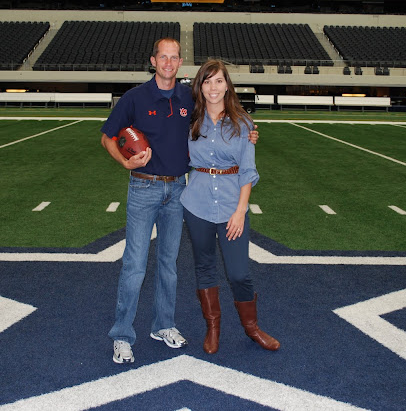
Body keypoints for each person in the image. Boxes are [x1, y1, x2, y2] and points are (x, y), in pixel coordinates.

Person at [101, 39, 259, 364]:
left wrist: (249, 132)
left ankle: (163, 325)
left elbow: (219, 112)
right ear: (153, 60)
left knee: (168, 265)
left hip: (177, 190)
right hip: (143, 187)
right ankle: (122, 335)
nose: (169, 63)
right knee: (134, 265)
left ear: (180, 62)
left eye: (174, 57)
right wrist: (125, 161)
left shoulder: (189, 97)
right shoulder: (135, 97)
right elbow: (107, 136)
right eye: (163, 57)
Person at [180, 59, 280, 354]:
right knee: (205, 267)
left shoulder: (243, 124)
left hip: (231, 205)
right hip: (197, 203)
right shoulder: (190, 120)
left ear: (227, 85)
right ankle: (213, 328)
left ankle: (252, 328)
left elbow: (248, 170)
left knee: (239, 273)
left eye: (219, 81)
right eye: (207, 81)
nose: (213, 87)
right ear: (200, 86)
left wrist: (240, 211)